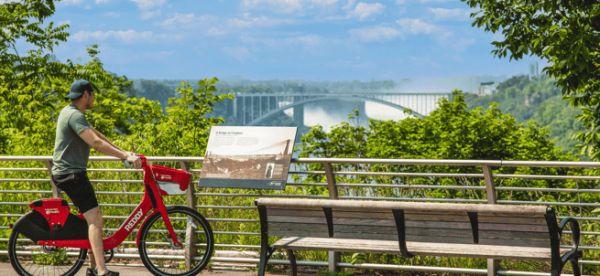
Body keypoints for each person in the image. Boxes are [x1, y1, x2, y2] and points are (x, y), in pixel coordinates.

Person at [51, 79, 141, 276]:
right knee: (95, 218)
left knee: (90, 218)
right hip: (71, 174)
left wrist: (123, 152)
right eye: (92, 95)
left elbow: (98, 135)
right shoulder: (75, 116)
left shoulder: (71, 112)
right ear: (85, 95)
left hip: (67, 173)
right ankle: (101, 270)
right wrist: (125, 156)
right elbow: (95, 142)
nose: (94, 98)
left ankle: (92, 268)